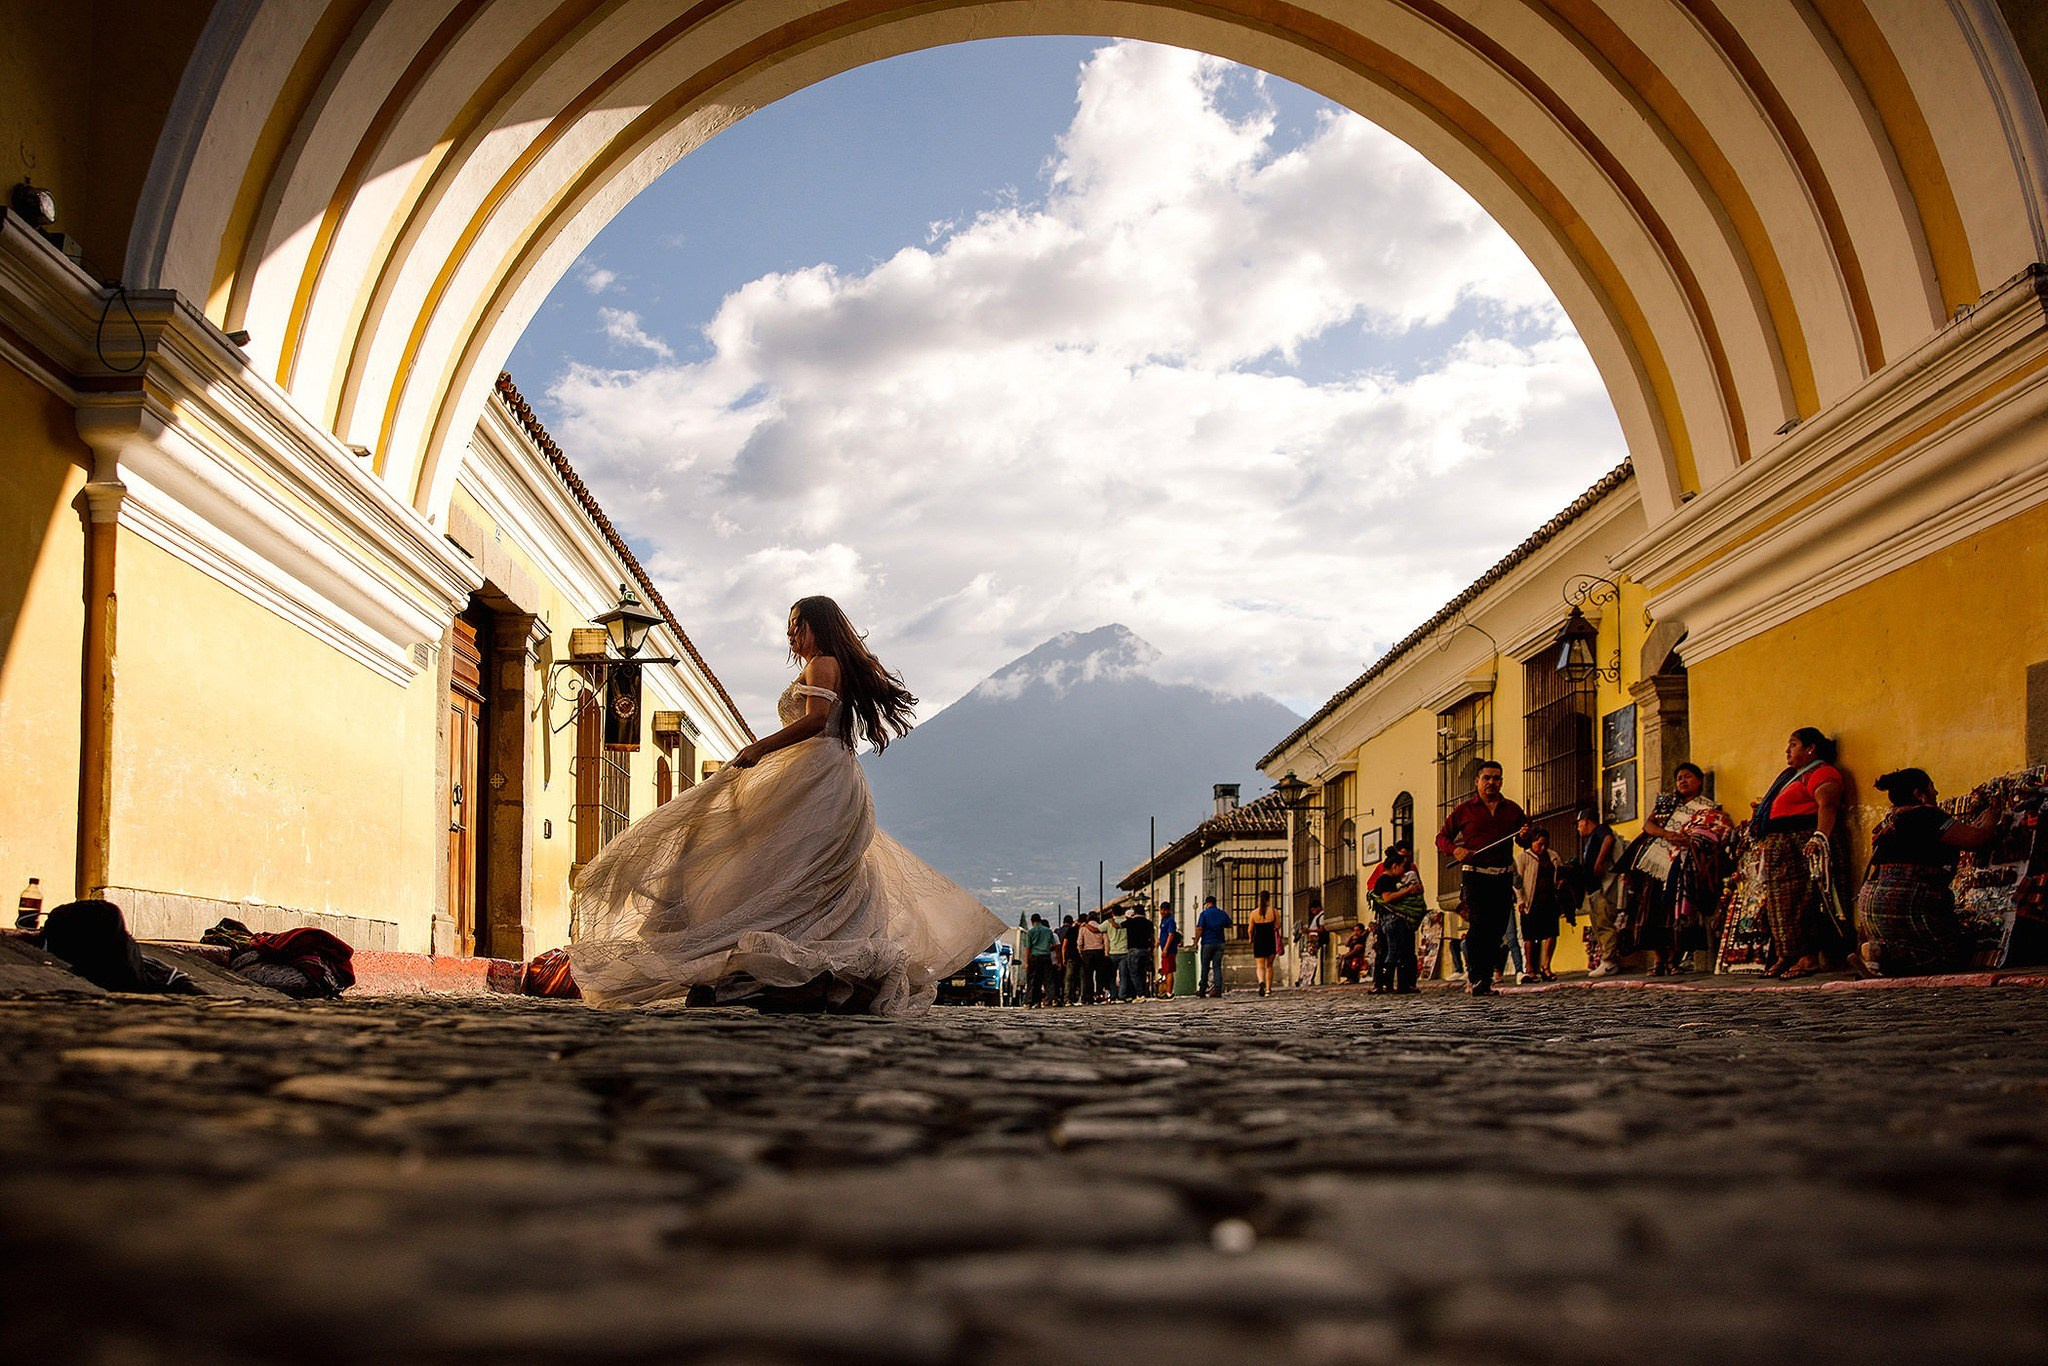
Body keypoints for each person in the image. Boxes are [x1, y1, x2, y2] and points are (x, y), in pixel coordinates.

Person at [569, 596, 1003, 1013]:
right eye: (790, 626)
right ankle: (767, 976)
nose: (791, 634)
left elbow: (816, 720)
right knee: (793, 875)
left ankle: (773, 975)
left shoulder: (823, 662)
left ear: (820, 625)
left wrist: (760, 748)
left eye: (798, 624)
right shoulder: (826, 664)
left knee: (785, 872)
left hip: (816, 775)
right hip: (820, 774)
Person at [1855, 768, 2002, 976]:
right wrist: (1991, 820)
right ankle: (1893, 960)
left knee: (1913, 942)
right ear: (1919, 794)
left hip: (1872, 901)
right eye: (1932, 787)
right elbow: (1977, 840)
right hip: (1908, 897)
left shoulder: (1889, 821)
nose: (1936, 792)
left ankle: (1881, 953)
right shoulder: (1926, 814)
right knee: (1951, 955)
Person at [1748, 727, 1845, 979]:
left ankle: (1807, 958)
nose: (1787, 750)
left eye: (1793, 744)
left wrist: (1819, 836)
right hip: (1781, 847)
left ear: (1810, 748)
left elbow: (1828, 803)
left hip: (1800, 844)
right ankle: (1786, 955)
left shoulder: (1822, 772)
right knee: (1780, 904)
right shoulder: (1793, 776)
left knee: (1803, 901)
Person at [1435, 760, 1530, 996]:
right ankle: (1478, 978)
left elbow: (1523, 839)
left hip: (1502, 876)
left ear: (1501, 781)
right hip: (1475, 876)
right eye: (1486, 777)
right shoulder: (1463, 810)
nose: (1491, 782)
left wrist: (1526, 835)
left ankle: (1484, 978)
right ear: (1477, 781)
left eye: (1496, 778)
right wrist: (1455, 850)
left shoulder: (1512, 810)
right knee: (1479, 925)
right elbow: (1442, 837)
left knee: (1497, 929)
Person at [1638, 763, 1736, 974]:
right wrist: (1667, 835)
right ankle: (1658, 961)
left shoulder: (1708, 808)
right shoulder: (1667, 805)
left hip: (1683, 865)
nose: (1682, 781)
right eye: (1679, 777)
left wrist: (1693, 841)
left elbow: (1715, 831)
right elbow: (1648, 825)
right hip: (1658, 860)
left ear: (1699, 781)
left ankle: (1674, 960)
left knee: (1677, 913)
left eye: (1688, 776)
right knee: (1653, 909)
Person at [1368, 843, 1427, 993]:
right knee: (1391, 952)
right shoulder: (1384, 877)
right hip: (1391, 920)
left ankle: (1404, 984)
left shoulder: (1408, 870)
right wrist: (1408, 892)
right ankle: (1383, 983)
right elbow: (1386, 897)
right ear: (1395, 864)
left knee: (1402, 951)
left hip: (1399, 919)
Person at [1575, 809, 1624, 977]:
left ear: (1587, 821)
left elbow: (1609, 839)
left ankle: (1610, 961)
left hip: (1602, 888)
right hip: (1593, 889)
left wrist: (1599, 861)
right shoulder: (1591, 839)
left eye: (1579, 824)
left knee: (1604, 924)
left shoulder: (1601, 830)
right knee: (1598, 925)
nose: (1578, 828)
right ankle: (1605, 957)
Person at [1514, 829, 1565, 983]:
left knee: (1551, 933)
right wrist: (1521, 900)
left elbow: (1560, 872)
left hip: (1549, 899)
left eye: (1545, 844)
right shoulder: (1523, 858)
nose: (1542, 848)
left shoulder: (1553, 856)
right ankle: (1530, 968)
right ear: (1532, 842)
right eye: (1539, 844)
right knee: (1530, 935)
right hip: (1531, 900)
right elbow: (1517, 883)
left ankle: (1546, 966)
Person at [1195, 894, 1231, 997]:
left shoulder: (1204, 914)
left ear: (1207, 903)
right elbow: (1229, 924)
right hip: (1219, 942)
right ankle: (1218, 989)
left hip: (1207, 942)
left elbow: (1200, 928)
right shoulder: (1222, 913)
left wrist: (1196, 942)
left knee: (1205, 967)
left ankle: (1202, 989)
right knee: (1217, 967)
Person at [1248, 890, 1282, 997]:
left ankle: (1261, 982)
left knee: (1260, 965)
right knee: (1269, 966)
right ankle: (1268, 989)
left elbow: (1250, 929)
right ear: (1268, 899)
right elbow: (1277, 926)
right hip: (1270, 939)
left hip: (1259, 940)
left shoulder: (1253, 913)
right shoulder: (1273, 911)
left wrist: (1250, 938)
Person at [1120, 903, 1155, 1002]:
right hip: (1145, 950)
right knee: (1142, 972)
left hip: (1134, 950)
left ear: (1134, 912)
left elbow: (1118, 926)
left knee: (1134, 973)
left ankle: (1140, 994)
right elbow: (1152, 938)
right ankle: (1143, 992)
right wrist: (1151, 950)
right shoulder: (1149, 923)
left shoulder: (1131, 922)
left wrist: (1110, 921)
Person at [1022, 915, 1057, 1007]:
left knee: (1033, 980)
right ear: (1041, 920)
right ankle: (1052, 999)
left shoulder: (1031, 932)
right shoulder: (1048, 931)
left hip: (1034, 957)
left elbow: (1028, 948)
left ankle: (1030, 1001)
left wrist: (1027, 962)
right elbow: (1054, 944)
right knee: (1048, 979)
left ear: (1032, 922)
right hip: (1046, 957)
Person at [1077, 911, 1110, 1004]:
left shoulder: (1083, 929)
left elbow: (1079, 942)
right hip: (1099, 952)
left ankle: (1089, 997)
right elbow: (1106, 941)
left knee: (1088, 976)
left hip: (1087, 952)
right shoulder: (1101, 927)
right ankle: (1099, 994)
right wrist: (1106, 953)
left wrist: (1081, 952)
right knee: (1099, 975)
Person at [1296, 899, 1326, 987]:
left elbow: (1322, 929)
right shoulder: (1316, 917)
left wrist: (1310, 930)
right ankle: (1303, 979)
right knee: (1307, 960)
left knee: (1312, 960)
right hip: (1311, 940)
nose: (1313, 912)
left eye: (1314, 910)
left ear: (1318, 908)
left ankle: (1309, 979)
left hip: (1315, 940)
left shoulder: (1321, 917)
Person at [1102, 905, 1129, 1000]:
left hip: (1112, 952)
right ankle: (1122, 995)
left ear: (1112, 913)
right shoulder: (1126, 922)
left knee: (1112, 976)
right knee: (1123, 975)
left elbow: (1098, 929)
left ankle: (1113, 995)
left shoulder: (1108, 922)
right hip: (1124, 951)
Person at [1157, 903, 1182, 997]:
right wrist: (1159, 941)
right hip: (1165, 948)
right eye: (1161, 910)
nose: (1162, 912)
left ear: (1169, 911)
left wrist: (1166, 948)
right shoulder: (1163, 921)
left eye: (1165, 910)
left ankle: (1169, 992)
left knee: (1169, 970)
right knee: (1166, 970)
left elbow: (1171, 935)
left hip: (1169, 950)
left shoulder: (1170, 921)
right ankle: (1167, 991)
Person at [1058, 913, 1082, 1006]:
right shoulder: (1076, 930)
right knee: (1079, 978)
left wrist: (1063, 958)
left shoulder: (1059, 931)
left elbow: (1064, 946)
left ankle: (1066, 998)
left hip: (1068, 957)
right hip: (1078, 957)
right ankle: (1078, 997)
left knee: (1067, 978)